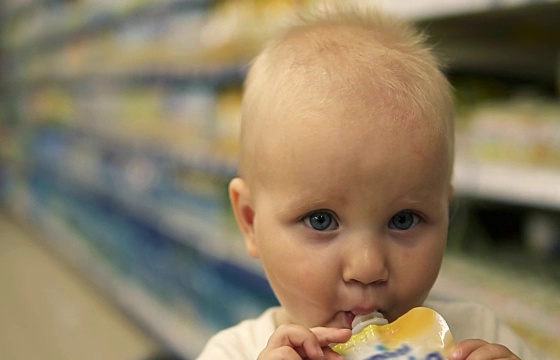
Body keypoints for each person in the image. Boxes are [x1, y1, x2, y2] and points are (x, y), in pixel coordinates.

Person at [197, 4, 538, 360]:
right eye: (321, 220)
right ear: (251, 222)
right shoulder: (234, 352)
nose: (368, 267)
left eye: (403, 220)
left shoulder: (480, 335)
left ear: (446, 215)